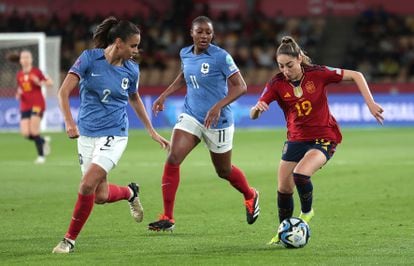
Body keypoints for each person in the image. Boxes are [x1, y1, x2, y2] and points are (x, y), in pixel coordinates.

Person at [250, 36, 384, 245]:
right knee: (284, 188)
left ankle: (306, 213)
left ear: (300, 59)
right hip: (295, 139)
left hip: (324, 137)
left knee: (300, 174)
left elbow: (356, 75)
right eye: (281, 66)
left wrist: (370, 103)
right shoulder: (276, 83)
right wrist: (257, 110)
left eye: (290, 65)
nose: (285, 70)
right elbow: (253, 113)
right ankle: (283, 230)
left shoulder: (318, 74)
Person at [52, 16, 170, 254]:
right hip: (86, 133)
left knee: (86, 186)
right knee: (100, 195)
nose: (137, 50)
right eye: (133, 45)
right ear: (119, 42)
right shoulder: (89, 59)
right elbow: (63, 91)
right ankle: (130, 192)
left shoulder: (131, 70)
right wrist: (69, 122)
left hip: (114, 134)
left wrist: (151, 130)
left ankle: (68, 240)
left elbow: (134, 98)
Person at [148, 15, 260, 232]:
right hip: (191, 115)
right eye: (200, 31)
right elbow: (184, 76)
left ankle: (250, 194)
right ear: (192, 33)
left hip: (218, 121)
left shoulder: (221, 57)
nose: (204, 36)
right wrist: (164, 94)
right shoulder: (185, 53)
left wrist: (217, 106)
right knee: (173, 157)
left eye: (208, 32)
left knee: (223, 171)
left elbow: (241, 86)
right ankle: (167, 217)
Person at [15, 50, 53, 164]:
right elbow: (21, 89)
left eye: (27, 57)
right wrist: (18, 94)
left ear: (31, 59)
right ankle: (42, 140)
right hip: (25, 105)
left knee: (34, 131)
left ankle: (41, 157)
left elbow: (50, 82)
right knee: (26, 134)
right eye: (23, 57)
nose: (25, 60)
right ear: (20, 60)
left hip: (37, 104)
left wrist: (39, 82)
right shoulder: (19, 75)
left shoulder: (37, 72)